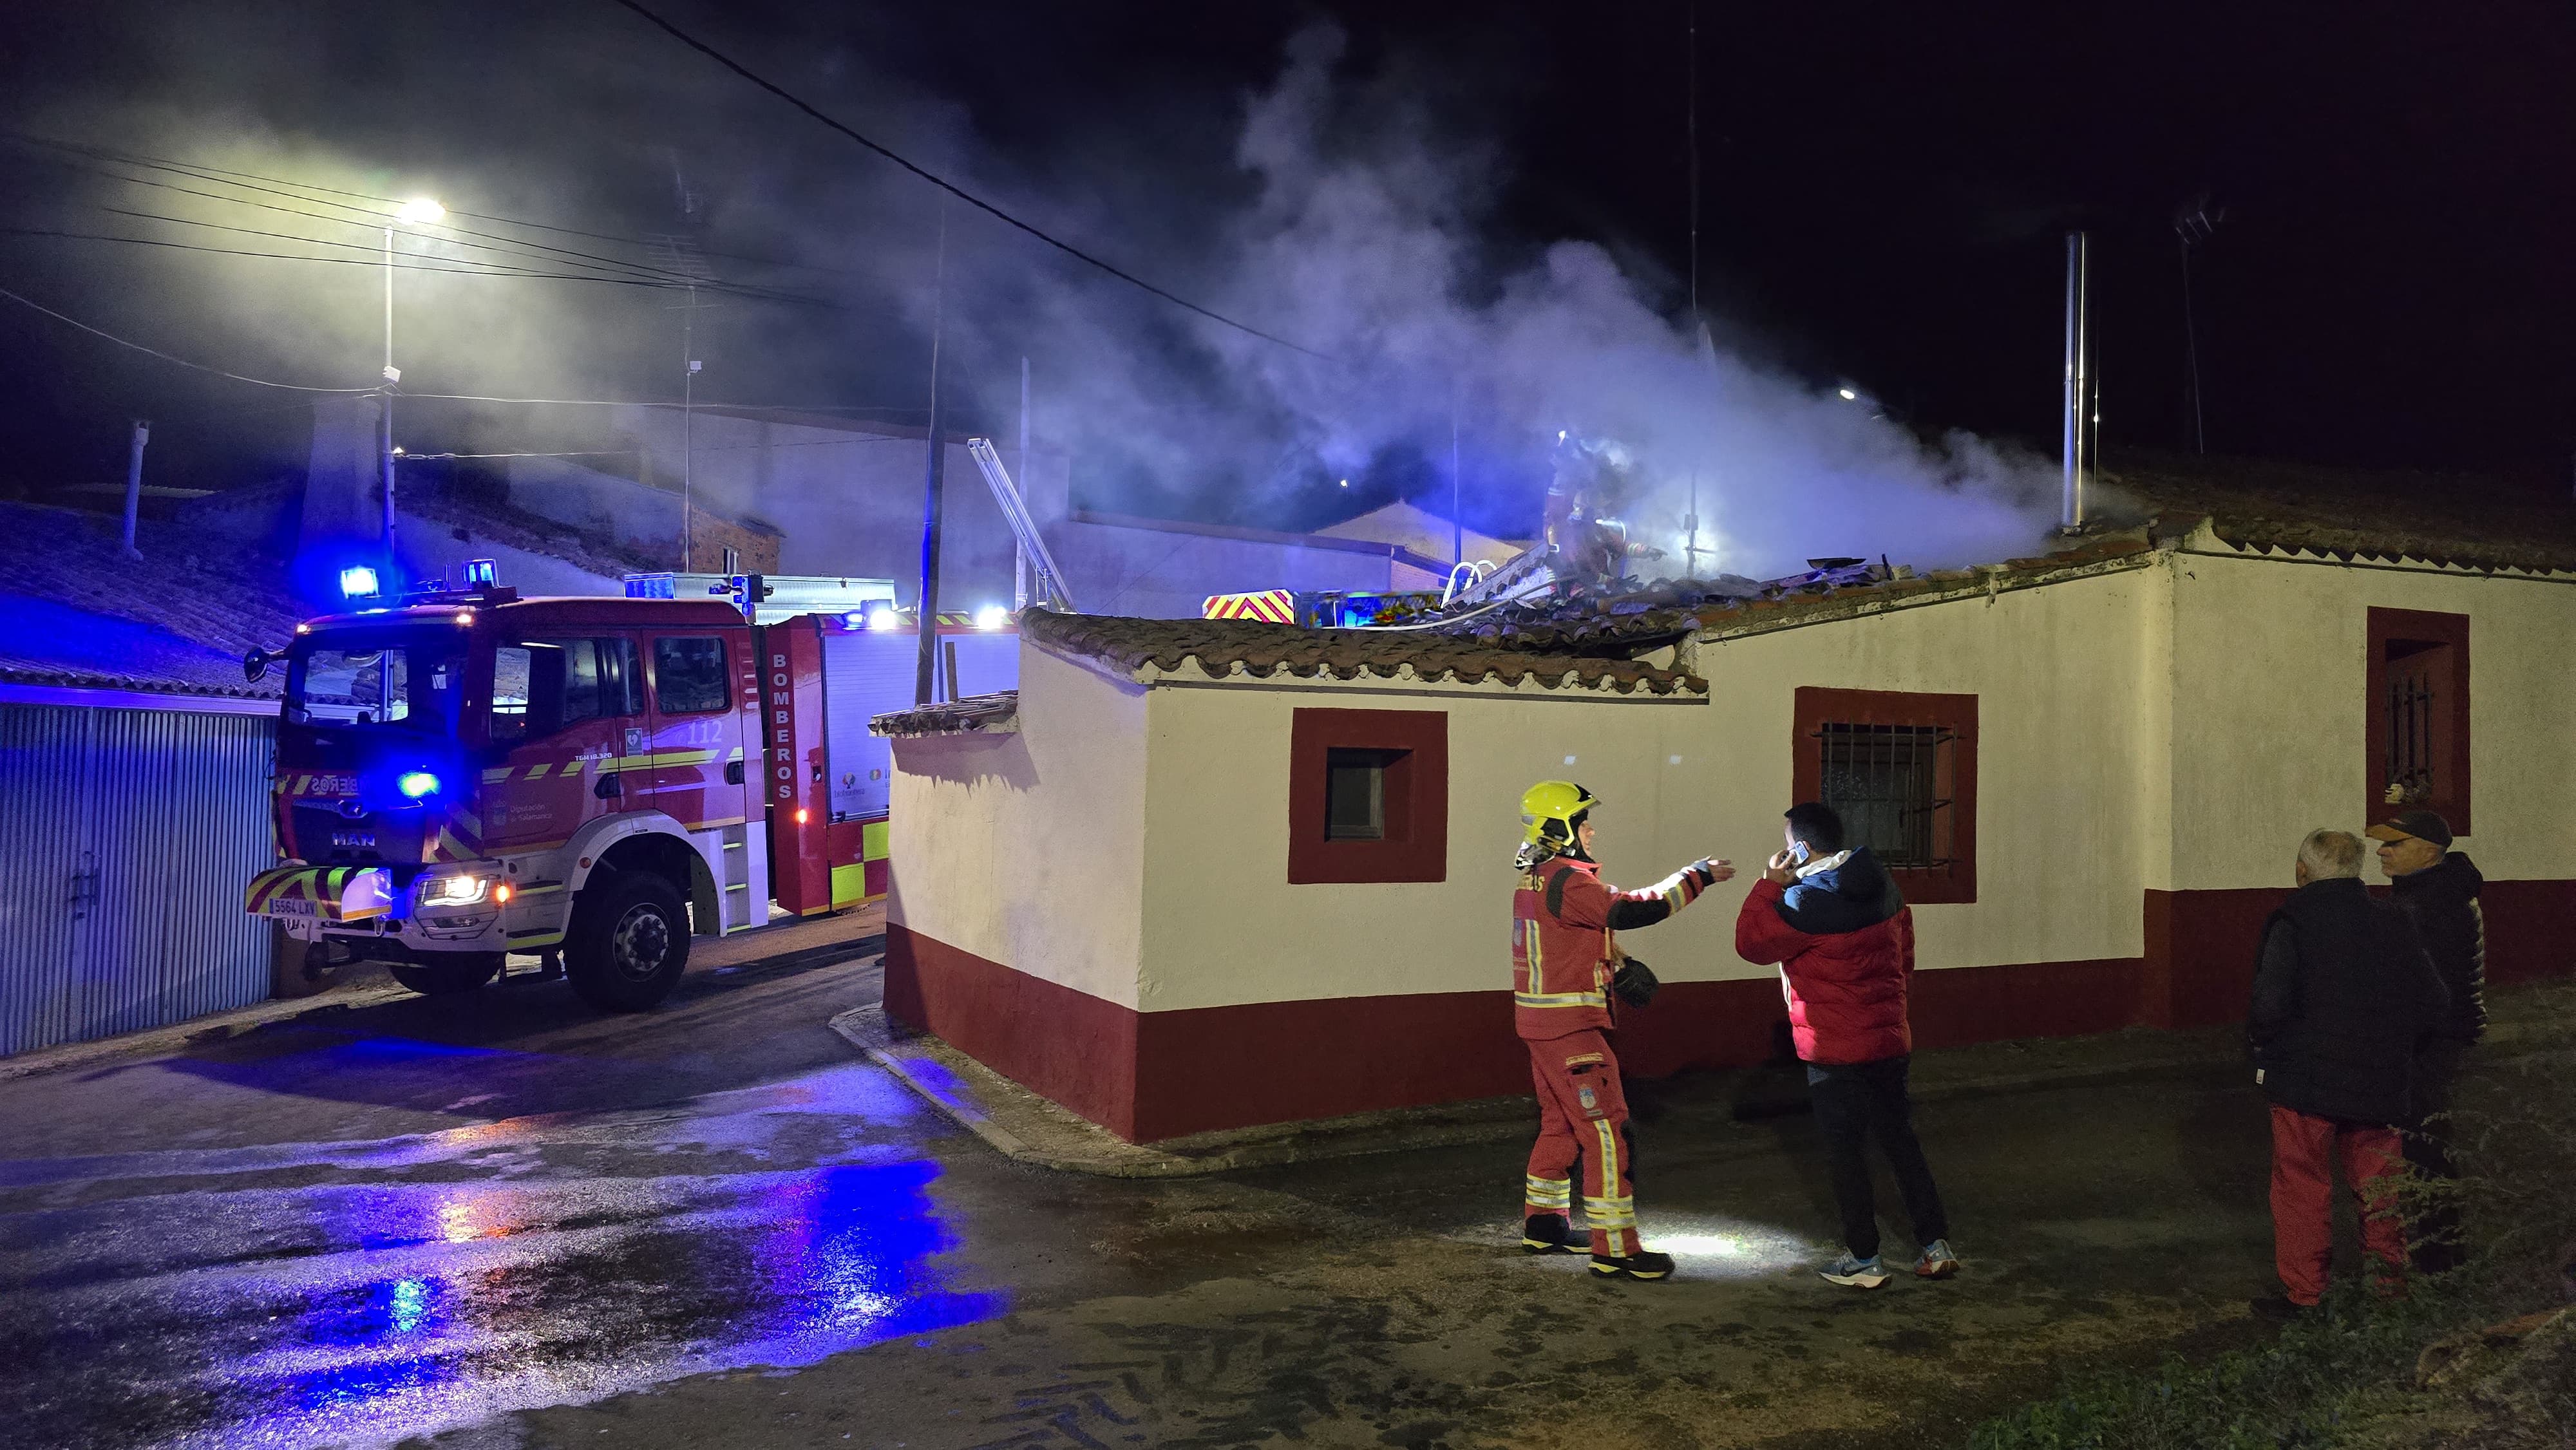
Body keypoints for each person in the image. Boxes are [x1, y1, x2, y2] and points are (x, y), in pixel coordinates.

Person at [1512, 781, 1732, 1281]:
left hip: (1541, 1024)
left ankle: (1544, 1224)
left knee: (1560, 1124)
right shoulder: (1569, 880)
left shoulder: (1536, 876)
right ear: (1560, 827)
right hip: (1572, 1030)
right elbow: (1632, 908)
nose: (1591, 829)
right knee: (1608, 1133)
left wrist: (1617, 962)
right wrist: (1695, 877)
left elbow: (1570, 938)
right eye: (1582, 820)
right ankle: (1617, 1250)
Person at [1733, 802, 1957, 1290]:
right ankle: (1935, 1247)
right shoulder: (1886, 887)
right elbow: (1906, 958)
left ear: (1800, 847)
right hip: (1889, 1037)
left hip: (1834, 1051)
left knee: (1846, 1153)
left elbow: (1751, 943)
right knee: (1901, 1141)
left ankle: (1864, 1259)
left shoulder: (1803, 903)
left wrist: (1771, 883)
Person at [2247, 828, 2450, 1318]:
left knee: (2302, 1188)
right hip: (2379, 1083)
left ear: (2302, 871)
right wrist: (2398, 1049)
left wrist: (2264, 1048)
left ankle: (2307, 1297)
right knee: (2380, 1191)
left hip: (2305, 1084)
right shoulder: (2394, 920)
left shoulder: (2292, 922)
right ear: (2356, 870)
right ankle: (2389, 1292)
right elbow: (2434, 1002)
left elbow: (2269, 1006)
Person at [2365, 809, 2486, 1274]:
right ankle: (2441, 1253)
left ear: (2429, 851)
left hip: (2432, 1039)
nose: (2382, 852)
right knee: (2424, 1141)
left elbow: (2426, 988)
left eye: (2395, 844)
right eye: (2383, 844)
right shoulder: (2427, 894)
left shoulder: (2433, 904)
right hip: (2437, 1034)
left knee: (2425, 1144)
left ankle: (2440, 1259)